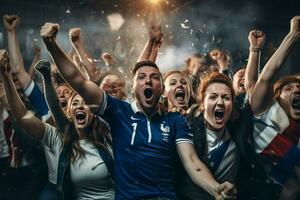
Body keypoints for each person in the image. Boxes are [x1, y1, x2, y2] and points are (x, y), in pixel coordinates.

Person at [40, 22, 237, 200]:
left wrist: (216, 188)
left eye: (154, 77)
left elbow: (192, 162)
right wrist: (51, 45)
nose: (148, 80)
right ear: (133, 89)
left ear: (160, 89)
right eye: (141, 77)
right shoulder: (118, 111)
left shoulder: (175, 120)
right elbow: (78, 80)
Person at [0, 52, 115, 200]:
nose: (80, 106)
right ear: (69, 112)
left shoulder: (108, 136)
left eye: (86, 103)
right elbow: (23, 117)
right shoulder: (57, 137)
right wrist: (6, 76)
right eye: (75, 103)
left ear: (93, 112)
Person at [176, 71, 254, 200]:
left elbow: (263, 81)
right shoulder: (187, 127)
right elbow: (193, 164)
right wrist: (217, 190)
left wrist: (255, 50)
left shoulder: (239, 129)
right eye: (212, 97)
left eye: (226, 97)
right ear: (202, 105)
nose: (220, 102)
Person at [249, 16, 300, 200]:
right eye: (289, 88)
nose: (296, 91)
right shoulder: (265, 113)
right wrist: (293, 35)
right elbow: (263, 79)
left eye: (299, 88)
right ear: (276, 97)